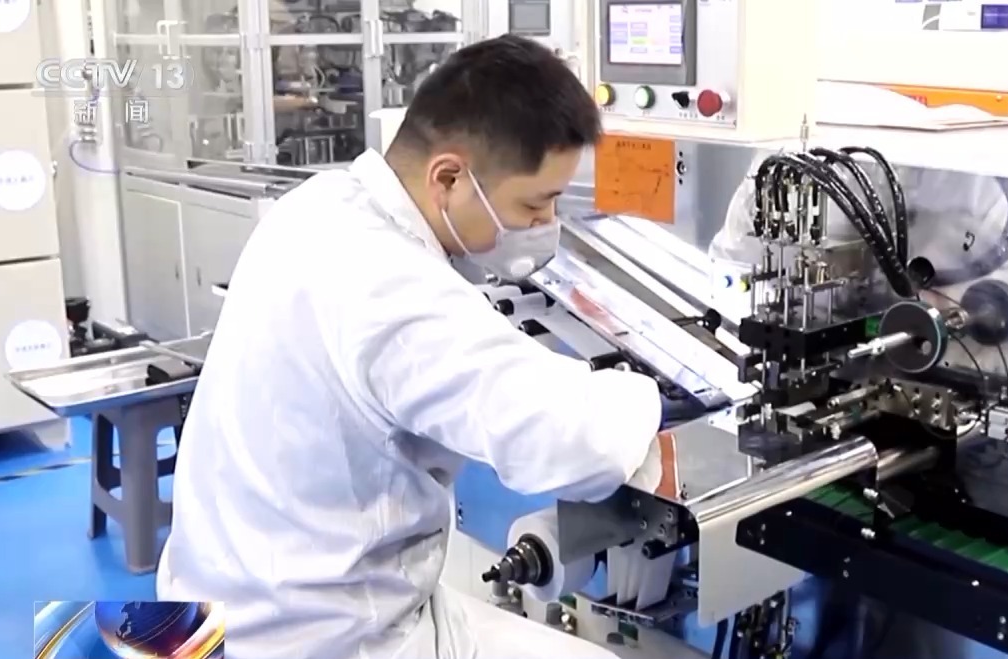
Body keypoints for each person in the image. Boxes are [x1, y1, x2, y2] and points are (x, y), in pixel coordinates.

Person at [157, 35, 662, 659]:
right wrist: (646, 393)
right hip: (320, 638)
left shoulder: (319, 203)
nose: (545, 225)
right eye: (535, 203)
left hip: (212, 608)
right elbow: (577, 446)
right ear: (448, 177)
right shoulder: (393, 287)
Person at [709, 82, 1008, 379]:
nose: (832, 271)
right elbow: (729, 269)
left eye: (840, 260)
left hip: (948, 365)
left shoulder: (971, 178)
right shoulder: (779, 167)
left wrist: (959, 303)